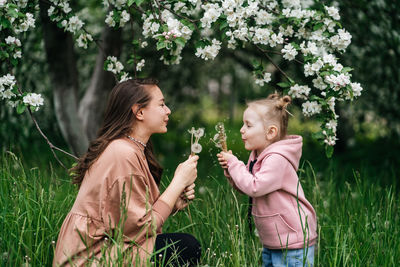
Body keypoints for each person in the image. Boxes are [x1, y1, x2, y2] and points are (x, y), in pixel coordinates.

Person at [53, 79, 201, 266]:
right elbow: (142, 228)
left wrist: (172, 204)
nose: (168, 110)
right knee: (185, 247)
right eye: (162, 104)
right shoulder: (122, 153)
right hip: (90, 257)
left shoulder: (129, 148)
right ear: (139, 112)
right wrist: (178, 182)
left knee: (181, 246)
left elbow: (130, 222)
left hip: (106, 246)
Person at [217, 93, 317, 267]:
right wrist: (230, 171)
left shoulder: (277, 158)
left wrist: (235, 165)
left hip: (292, 242)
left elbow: (255, 187)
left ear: (271, 132)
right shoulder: (257, 154)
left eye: (248, 125)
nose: (241, 129)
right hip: (274, 239)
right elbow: (247, 186)